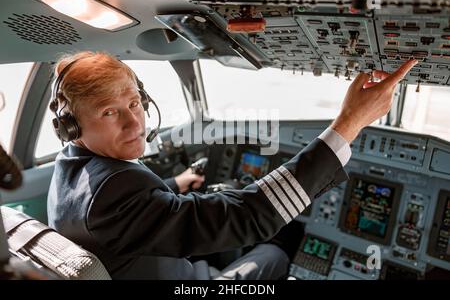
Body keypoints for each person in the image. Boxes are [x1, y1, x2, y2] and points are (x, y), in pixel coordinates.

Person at [46, 51, 417, 279]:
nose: (134, 123)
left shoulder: (70, 169)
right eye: (109, 112)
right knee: (271, 254)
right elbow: (247, 216)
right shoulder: (113, 194)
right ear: (71, 126)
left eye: (133, 103)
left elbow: (135, 214)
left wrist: (177, 183)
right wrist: (347, 124)